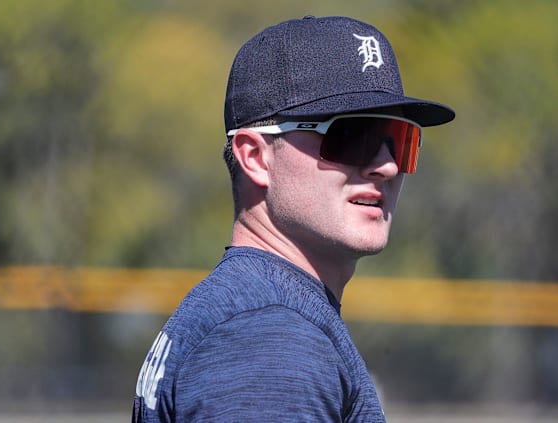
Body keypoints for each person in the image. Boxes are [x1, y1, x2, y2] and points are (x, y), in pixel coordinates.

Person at [132, 15, 454, 422]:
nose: (387, 166)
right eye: (354, 136)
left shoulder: (256, 313)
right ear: (255, 157)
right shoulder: (267, 339)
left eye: (400, 140)